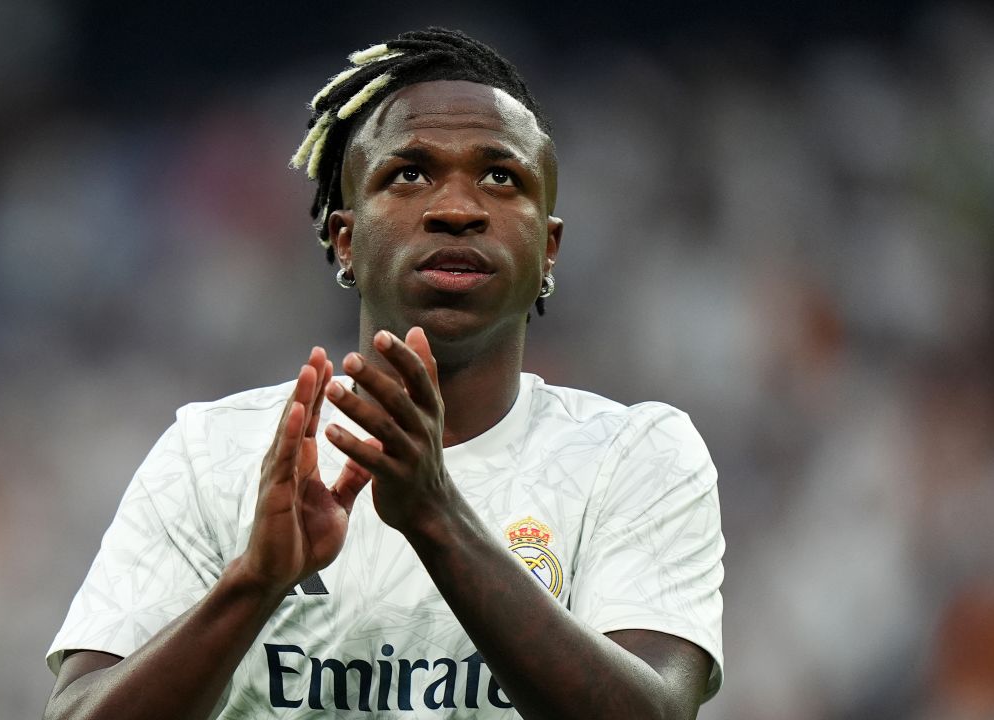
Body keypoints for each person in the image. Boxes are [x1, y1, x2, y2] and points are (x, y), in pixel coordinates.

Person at [43, 28, 724, 719]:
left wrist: (434, 516)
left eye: (500, 176)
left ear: (548, 249)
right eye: (409, 173)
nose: (457, 210)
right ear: (345, 240)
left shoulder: (634, 456)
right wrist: (251, 584)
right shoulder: (212, 455)